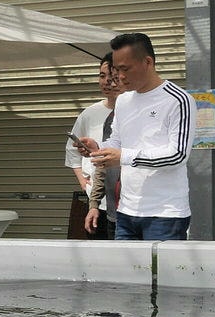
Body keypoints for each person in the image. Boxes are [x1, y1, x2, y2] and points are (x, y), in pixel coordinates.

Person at [79, 32, 195, 241]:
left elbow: (177, 155)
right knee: (124, 274)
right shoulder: (124, 101)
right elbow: (117, 141)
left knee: (162, 274)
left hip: (165, 213)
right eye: (116, 69)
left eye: (125, 69)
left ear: (148, 62)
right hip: (126, 210)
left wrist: (122, 157)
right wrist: (98, 150)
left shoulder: (178, 100)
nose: (119, 76)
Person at [72, 54, 121, 239]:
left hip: (129, 204)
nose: (108, 82)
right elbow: (73, 152)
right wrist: (84, 182)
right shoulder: (90, 113)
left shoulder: (133, 111)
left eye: (113, 77)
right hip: (101, 198)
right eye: (102, 76)